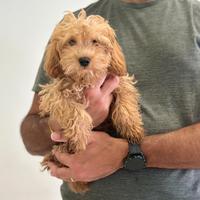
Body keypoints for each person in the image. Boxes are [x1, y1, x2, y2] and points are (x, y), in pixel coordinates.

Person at [20, 0, 200, 199]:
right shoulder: (69, 24)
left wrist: (127, 153)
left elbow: (122, 83)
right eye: (71, 43)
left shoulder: (195, 14)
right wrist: (62, 124)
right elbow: (31, 137)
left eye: (95, 43)